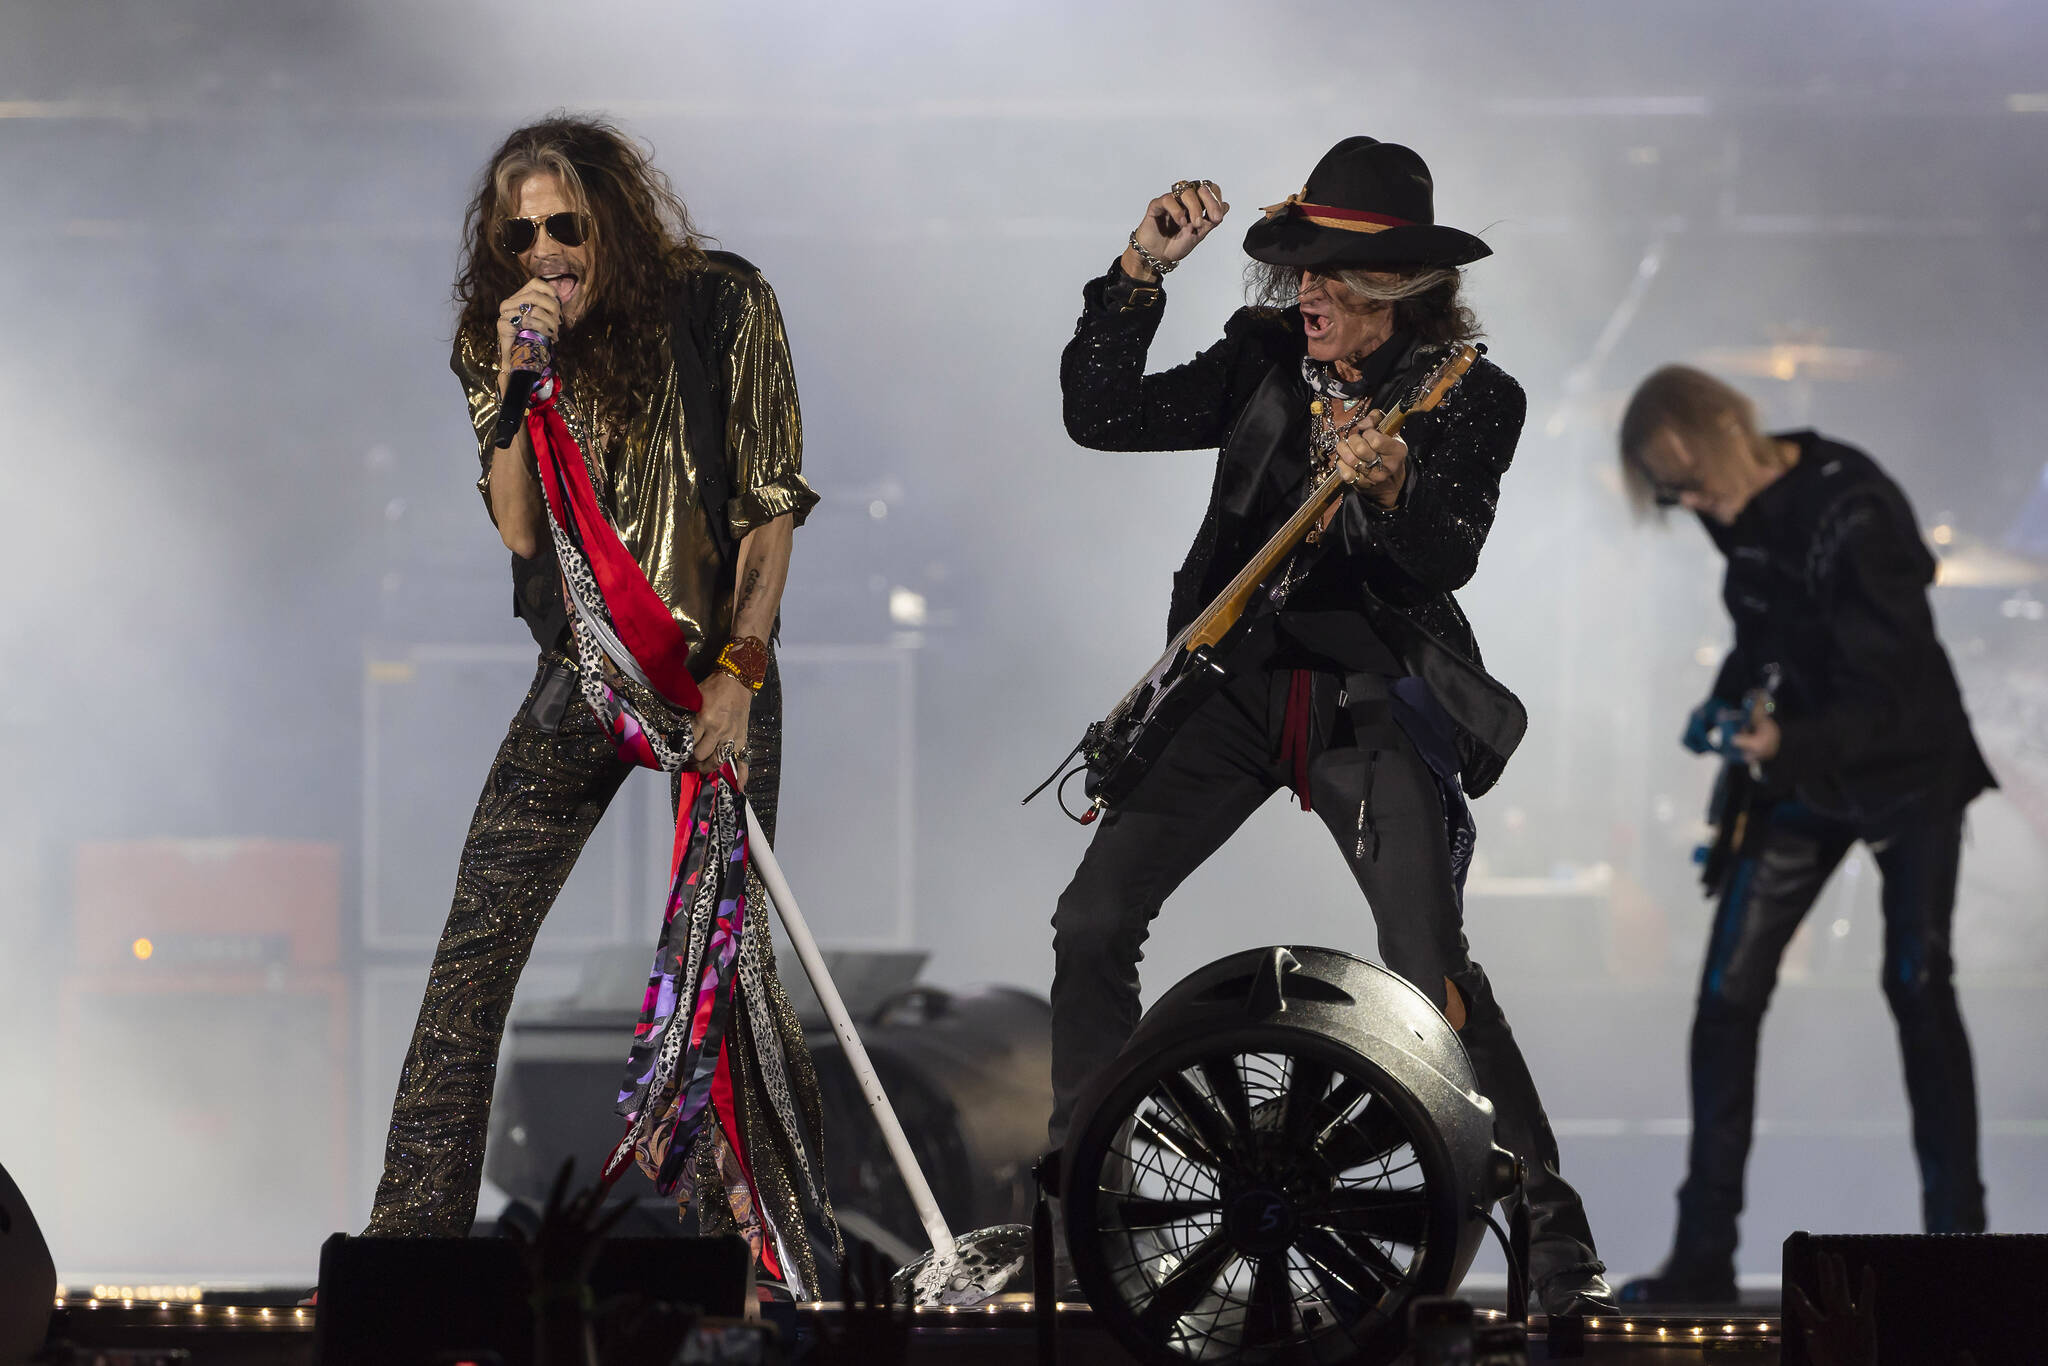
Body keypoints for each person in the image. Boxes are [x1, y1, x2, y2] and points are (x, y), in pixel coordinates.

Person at [1051, 136, 1615, 1317]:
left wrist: (1398, 483)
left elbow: (1442, 554)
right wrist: (1137, 273)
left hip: (1365, 697)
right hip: (1233, 690)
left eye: (1327, 274)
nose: (1300, 290)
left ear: (1396, 286)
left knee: (1425, 970)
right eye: (1296, 270)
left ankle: (1548, 1222)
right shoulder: (1261, 357)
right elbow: (1098, 415)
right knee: (1093, 917)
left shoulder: (1471, 394)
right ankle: (1078, 1201)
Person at [367, 115, 833, 1296]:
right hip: (579, 673)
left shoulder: (724, 303)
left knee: (724, 962)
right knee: (473, 947)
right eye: (517, 233)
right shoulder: (500, 340)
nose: (543, 253)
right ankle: (410, 1242)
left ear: (610, 220)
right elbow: (519, 528)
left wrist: (740, 668)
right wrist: (521, 389)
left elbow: (770, 503)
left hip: (713, 670)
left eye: (563, 227)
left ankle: (747, 1255)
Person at [1615, 365, 1994, 1304]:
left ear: (1724, 430)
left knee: (1917, 983)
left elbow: (1891, 686)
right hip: (1806, 777)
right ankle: (1703, 1249)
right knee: (1726, 995)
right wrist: (1724, 703)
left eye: (1692, 481)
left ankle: (1963, 1249)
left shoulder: (1855, 509)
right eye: (1677, 496)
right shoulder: (1727, 509)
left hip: (1909, 768)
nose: (1694, 505)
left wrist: (1792, 736)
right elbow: (1764, 626)